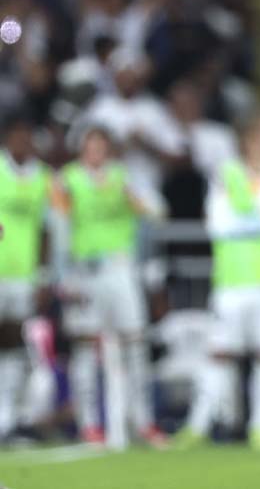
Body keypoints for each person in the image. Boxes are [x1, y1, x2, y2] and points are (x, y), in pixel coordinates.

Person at [175, 116, 260, 451]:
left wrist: (256, 198)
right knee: (219, 353)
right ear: (245, 143)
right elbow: (219, 225)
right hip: (233, 278)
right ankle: (197, 425)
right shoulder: (225, 175)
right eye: (257, 140)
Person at [51, 126, 166, 446]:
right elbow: (59, 229)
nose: (96, 152)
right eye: (91, 146)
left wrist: (138, 201)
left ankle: (144, 421)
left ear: (109, 150)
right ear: (82, 149)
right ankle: (90, 425)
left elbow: (159, 211)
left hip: (120, 268)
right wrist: (61, 276)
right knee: (85, 346)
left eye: (102, 146)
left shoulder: (122, 177)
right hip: (84, 271)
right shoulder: (67, 180)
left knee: (135, 343)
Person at [0, 114, 49, 440]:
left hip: (23, 274)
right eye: (17, 136)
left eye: (27, 137)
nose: (22, 142)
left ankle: (6, 416)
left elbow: (47, 230)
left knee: (13, 342)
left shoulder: (42, 178)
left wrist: (44, 275)